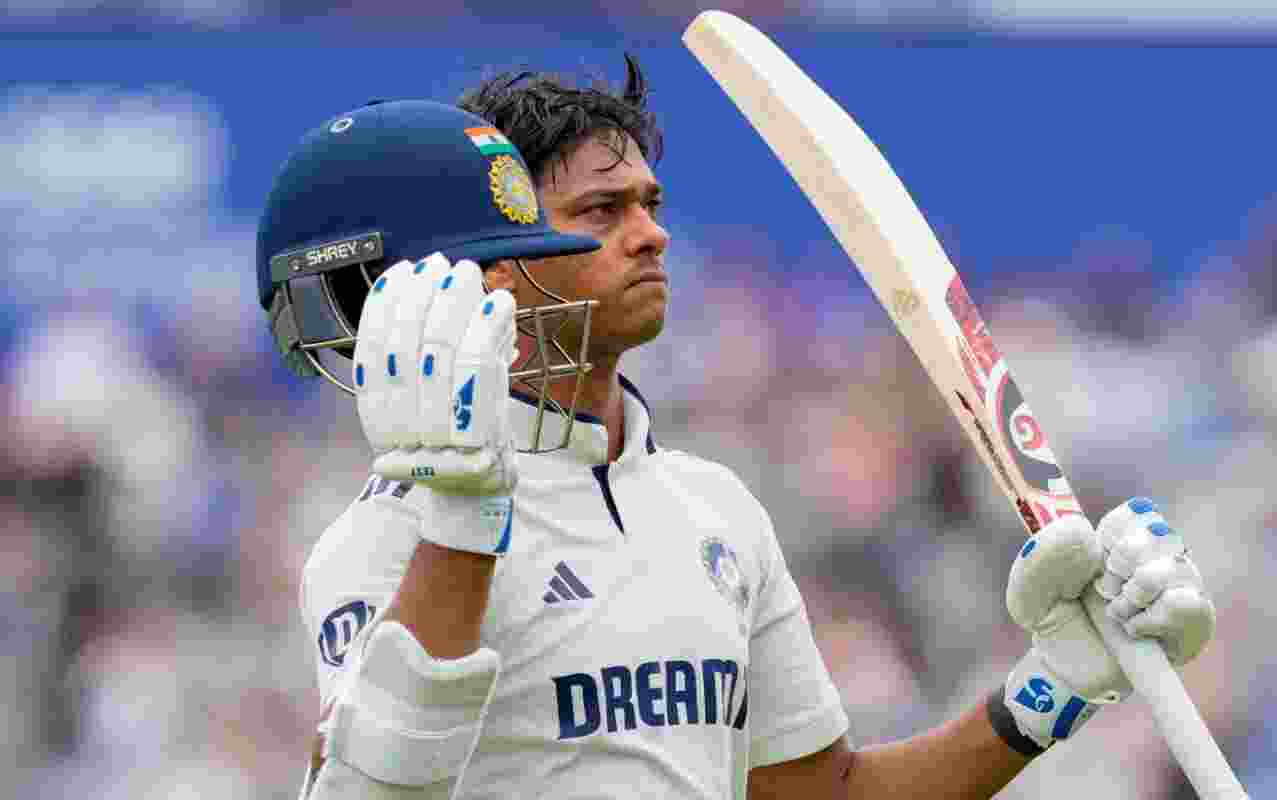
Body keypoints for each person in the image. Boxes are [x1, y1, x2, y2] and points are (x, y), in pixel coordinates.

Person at [262, 58, 1216, 800]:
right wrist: (462, 520)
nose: (650, 233)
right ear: (497, 259)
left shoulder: (714, 510)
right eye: (600, 211)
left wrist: (1052, 688)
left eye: (650, 203)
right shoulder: (385, 533)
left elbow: (823, 795)